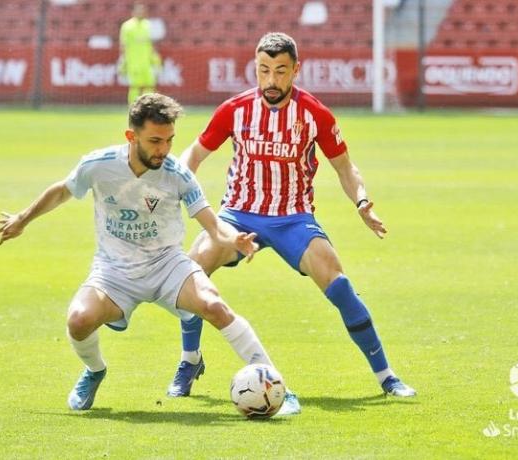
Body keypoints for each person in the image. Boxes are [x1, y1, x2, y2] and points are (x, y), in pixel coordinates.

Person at [166, 32, 416, 413]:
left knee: (339, 283)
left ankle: (387, 377)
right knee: (193, 270)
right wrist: (181, 186)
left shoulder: (315, 114)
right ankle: (189, 361)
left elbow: (345, 168)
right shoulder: (235, 109)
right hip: (238, 212)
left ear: (296, 70)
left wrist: (362, 202)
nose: (271, 80)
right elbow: (195, 154)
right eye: (264, 70)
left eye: (280, 71)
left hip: (292, 217)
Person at [0, 93, 284, 411]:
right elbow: (62, 189)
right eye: (155, 141)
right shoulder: (99, 165)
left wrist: (233, 240)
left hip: (167, 265)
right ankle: (94, 370)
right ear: (131, 136)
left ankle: (276, 384)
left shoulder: (178, 174)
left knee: (214, 306)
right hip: (114, 271)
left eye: (170, 140)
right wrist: (23, 218)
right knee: (78, 320)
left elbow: (213, 225)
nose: (164, 150)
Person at [118, 4, 161, 105]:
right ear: (133, 12)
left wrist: (155, 58)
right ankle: (133, 108)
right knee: (135, 86)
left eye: (142, 11)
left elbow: (152, 43)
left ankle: (147, 107)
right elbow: (123, 44)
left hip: (147, 62)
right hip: (133, 62)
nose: (140, 13)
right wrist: (122, 60)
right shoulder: (127, 26)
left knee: (149, 85)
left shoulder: (148, 25)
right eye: (138, 11)